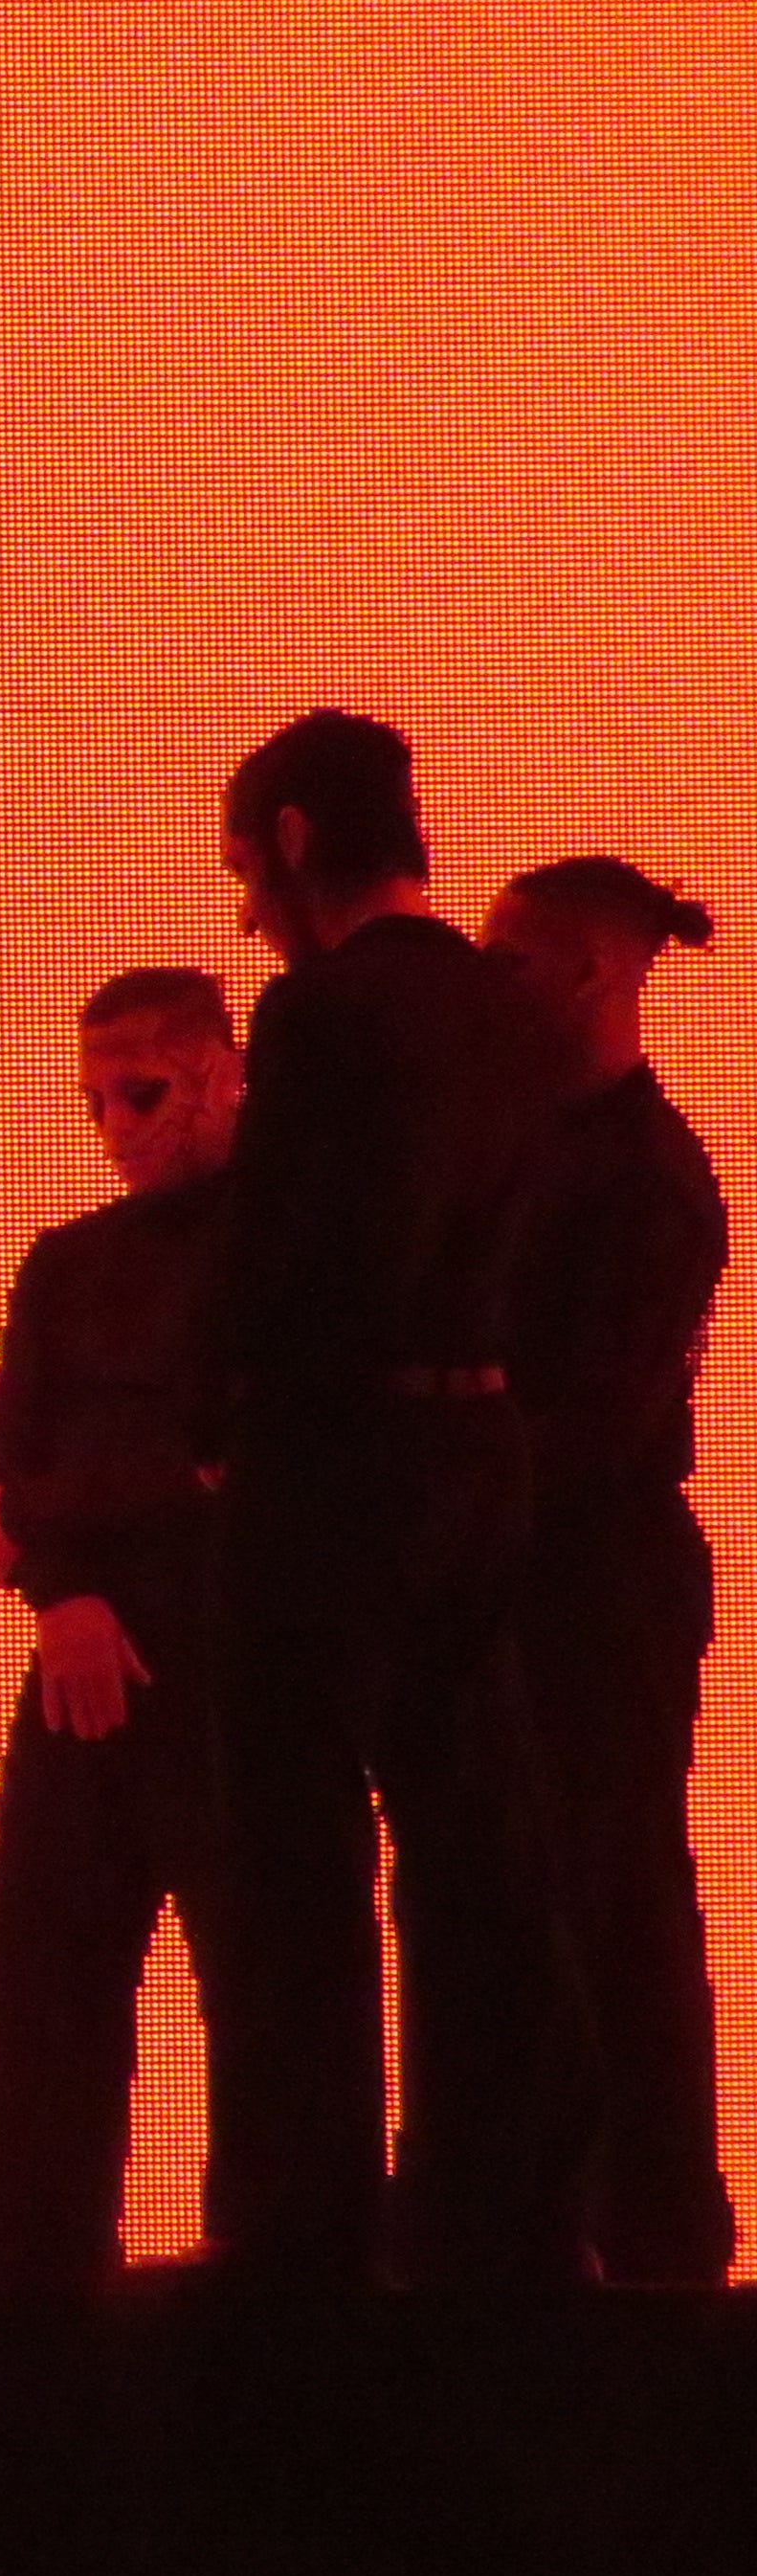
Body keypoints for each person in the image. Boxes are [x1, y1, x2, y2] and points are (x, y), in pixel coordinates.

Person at [202, 708, 587, 2290]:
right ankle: (501, 2212)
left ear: (295, 840)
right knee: (475, 1839)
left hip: (333, 1464)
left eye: (246, 868)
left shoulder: (320, 1013)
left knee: (292, 1847)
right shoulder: (509, 1014)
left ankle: (306, 2225)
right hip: (480, 1450)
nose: (247, 911)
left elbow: (297, 1262)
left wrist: (225, 1414)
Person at [0, 970, 240, 2297]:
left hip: (233, 1661)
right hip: (98, 1651)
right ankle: (29, 2287)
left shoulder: (276, 1253)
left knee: (255, 1984)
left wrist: (50, 1537)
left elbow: (235, 1466)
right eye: (99, 1103)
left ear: (222, 1075)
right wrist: (62, 1585)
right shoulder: (69, 1264)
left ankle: (261, 2272)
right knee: (43, 1993)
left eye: (143, 1093)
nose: (117, 1126)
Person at [483, 855, 733, 2288]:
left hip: (597, 1579)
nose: (487, 982)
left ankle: (656, 2239)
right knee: (539, 1897)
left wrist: (448, 1468)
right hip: (538, 1564)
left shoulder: (642, 1176)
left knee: (612, 1892)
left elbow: (597, 1422)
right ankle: (558, 2217)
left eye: (512, 957)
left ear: (590, 971)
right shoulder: (533, 1144)